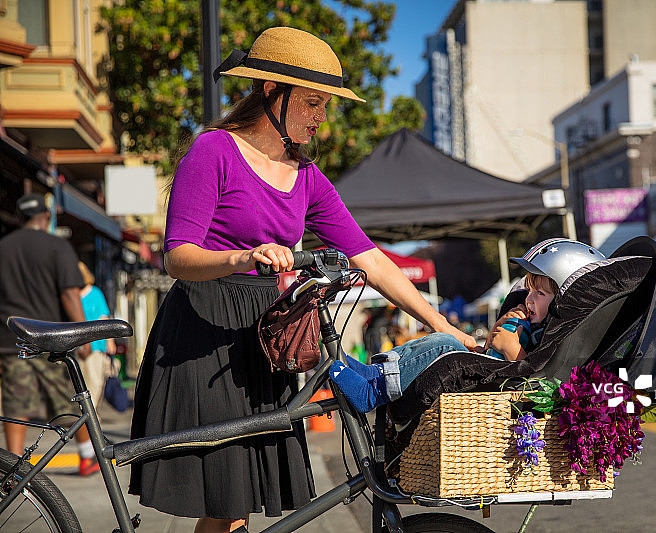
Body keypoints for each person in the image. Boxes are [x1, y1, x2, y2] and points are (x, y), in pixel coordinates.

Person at [128, 26, 475, 533]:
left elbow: (370, 260)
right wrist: (241, 257)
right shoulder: (214, 152)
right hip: (206, 331)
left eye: (325, 104)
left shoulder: (306, 176)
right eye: (312, 102)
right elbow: (177, 257)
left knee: (237, 500)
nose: (321, 116)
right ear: (272, 92)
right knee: (226, 503)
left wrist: (443, 325)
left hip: (268, 337)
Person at [330, 239, 604, 412]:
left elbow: (536, 378)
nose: (529, 299)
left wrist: (511, 349)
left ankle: (374, 392)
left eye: (539, 295)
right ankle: (376, 373)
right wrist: (500, 329)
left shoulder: (555, 335)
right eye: (529, 291)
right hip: (491, 374)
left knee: (445, 344)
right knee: (444, 340)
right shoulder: (535, 323)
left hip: (501, 389)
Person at [0, 193, 100, 476]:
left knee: (16, 403)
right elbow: (70, 293)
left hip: (12, 339)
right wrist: (82, 335)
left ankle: (13, 467)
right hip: (48, 338)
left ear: (21, 218)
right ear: (45, 217)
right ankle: (86, 457)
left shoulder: (3, 247)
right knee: (65, 400)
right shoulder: (57, 246)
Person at [76, 261, 118, 410]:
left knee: (95, 382)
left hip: (95, 346)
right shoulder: (72, 295)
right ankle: (86, 415)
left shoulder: (95, 293)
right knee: (79, 384)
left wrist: (110, 341)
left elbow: (103, 318)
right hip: (77, 347)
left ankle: (91, 415)